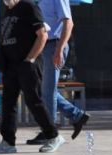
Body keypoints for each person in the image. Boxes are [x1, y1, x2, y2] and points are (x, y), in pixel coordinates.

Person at [0, 0, 65, 154]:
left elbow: (42, 35)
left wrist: (30, 59)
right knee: (8, 103)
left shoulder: (28, 6)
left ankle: (53, 135)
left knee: (33, 100)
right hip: (10, 64)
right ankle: (8, 141)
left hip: (27, 63)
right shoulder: (8, 10)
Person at [31, 0, 90, 146]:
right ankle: (76, 115)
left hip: (53, 45)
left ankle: (49, 132)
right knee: (40, 89)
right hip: (40, 46)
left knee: (47, 91)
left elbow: (68, 23)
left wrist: (59, 49)